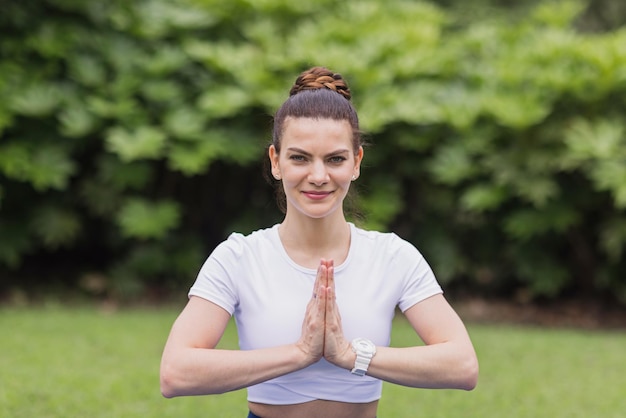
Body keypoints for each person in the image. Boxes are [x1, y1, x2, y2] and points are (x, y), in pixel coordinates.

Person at [160, 66, 478, 418]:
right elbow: (175, 372)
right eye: (299, 157)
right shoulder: (239, 257)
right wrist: (300, 353)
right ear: (275, 161)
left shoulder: (392, 256)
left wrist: (349, 354)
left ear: (356, 162)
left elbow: (462, 365)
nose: (318, 176)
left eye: (335, 159)